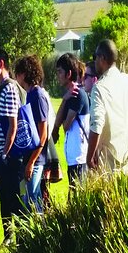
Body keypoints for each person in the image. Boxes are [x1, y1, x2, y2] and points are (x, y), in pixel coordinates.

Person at [86, 39, 128, 176]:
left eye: (96, 57)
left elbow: (97, 125)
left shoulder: (100, 88)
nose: (95, 61)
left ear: (102, 58)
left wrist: (89, 156)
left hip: (109, 164)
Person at [0, 48, 25, 246]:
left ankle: (17, 237)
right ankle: (8, 235)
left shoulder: (10, 88)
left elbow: (13, 124)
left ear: (1, 64)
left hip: (8, 156)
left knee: (12, 198)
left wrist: (5, 153)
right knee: (4, 197)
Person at [14, 55, 49, 213]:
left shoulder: (37, 95)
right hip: (29, 158)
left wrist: (31, 162)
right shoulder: (30, 94)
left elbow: (43, 132)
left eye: (17, 73)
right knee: (29, 200)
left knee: (33, 203)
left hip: (36, 160)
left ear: (24, 74)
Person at [52, 53, 89, 195]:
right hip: (74, 158)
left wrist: (67, 99)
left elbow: (65, 126)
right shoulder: (70, 95)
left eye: (59, 72)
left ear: (68, 74)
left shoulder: (77, 94)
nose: (57, 75)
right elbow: (57, 122)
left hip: (79, 157)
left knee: (76, 198)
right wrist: (64, 99)